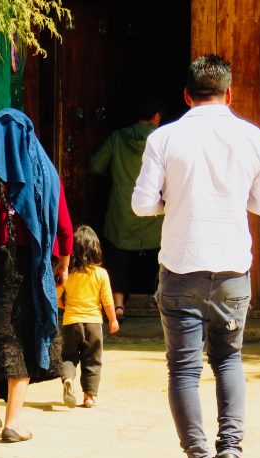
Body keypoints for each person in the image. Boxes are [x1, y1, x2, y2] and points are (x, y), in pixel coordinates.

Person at [131, 55, 260, 458]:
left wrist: (172, 203)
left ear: (186, 95)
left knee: (183, 371)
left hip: (181, 269)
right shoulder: (253, 138)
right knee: (229, 360)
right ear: (229, 93)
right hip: (233, 270)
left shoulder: (165, 138)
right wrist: (232, 197)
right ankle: (230, 453)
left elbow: (142, 204)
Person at [0, 108, 73, 442]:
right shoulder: (44, 172)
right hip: (28, 267)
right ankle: (13, 422)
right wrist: (62, 262)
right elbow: (63, 225)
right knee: (21, 335)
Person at [89, 97, 164, 322]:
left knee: (118, 255)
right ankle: (157, 300)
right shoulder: (162, 139)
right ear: (157, 117)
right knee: (159, 254)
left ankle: (118, 304)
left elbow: (95, 166)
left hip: (122, 208)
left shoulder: (117, 138)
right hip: (154, 208)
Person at [56, 225, 119, 409]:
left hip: (71, 323)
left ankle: (68, 378)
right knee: (92, 359)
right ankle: (89, 396)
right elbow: (107, 300)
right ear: (96, 249)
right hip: (93, 323)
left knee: (68, 356)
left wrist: (65, 305)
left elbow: (57, 296)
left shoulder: (67, 274)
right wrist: (113, 320)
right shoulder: (101, 274)